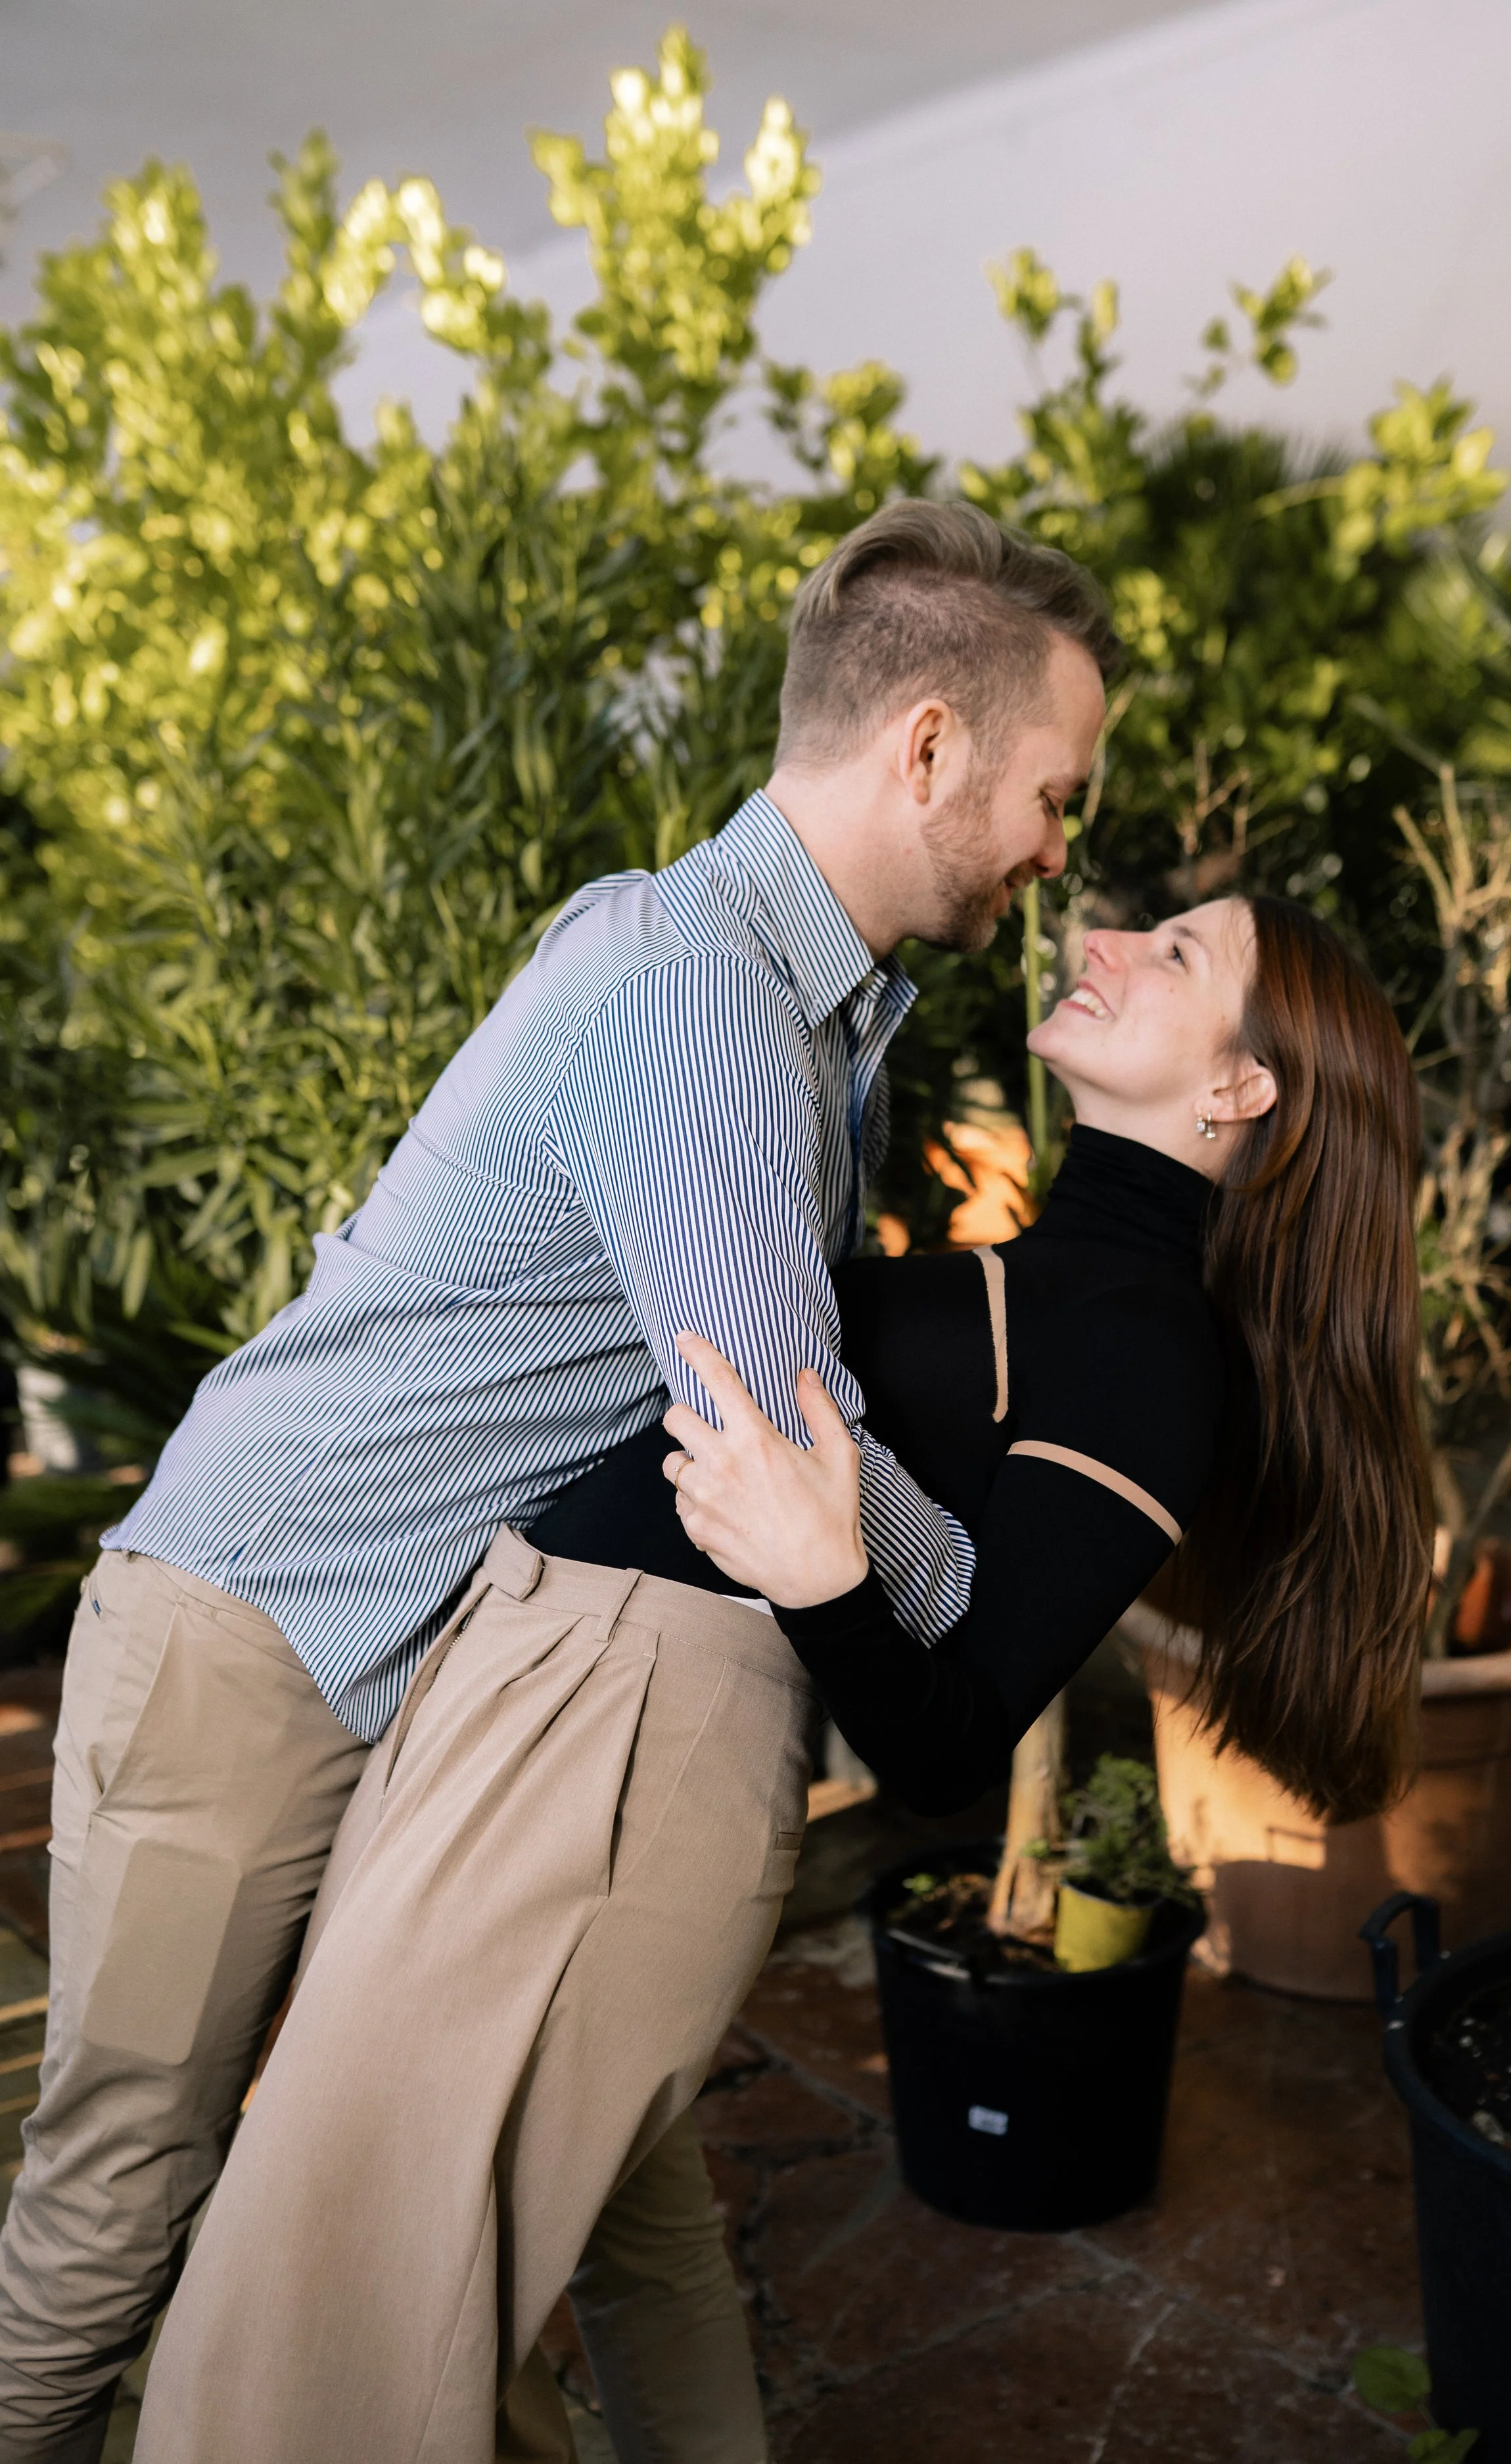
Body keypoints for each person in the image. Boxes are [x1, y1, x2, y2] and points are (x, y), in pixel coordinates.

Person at [0, 500, 1113, 2464]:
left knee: (611, 2168)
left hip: (428, 1665)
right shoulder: (697, 991)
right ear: (923, 743)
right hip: (258, 1637)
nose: (1055, 846)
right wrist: (1017, 1597)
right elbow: (783, 1433)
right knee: (122, 2203)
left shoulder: (807, 1015)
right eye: (1052, 792)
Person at [133, 886, 1432, 2460]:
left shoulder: (1153, 1351)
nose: (1103, 935)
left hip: (618, 1764)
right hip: (546, 1705)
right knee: (496, 2282)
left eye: (1174, 954)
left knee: (309, 2338)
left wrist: (822, 1573)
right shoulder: (1053, 1270)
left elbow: (952, 1743)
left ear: (1242, 1089)